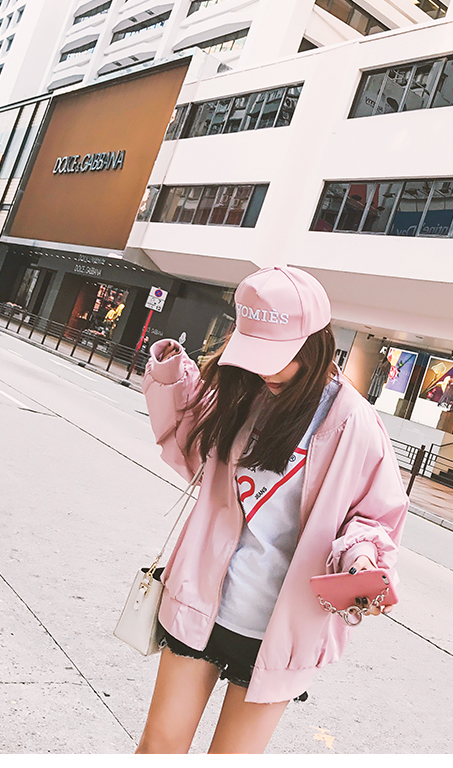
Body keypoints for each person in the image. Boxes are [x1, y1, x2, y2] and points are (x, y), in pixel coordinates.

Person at [136, 266, 409, 754]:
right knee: (159, 747)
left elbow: (373, 516)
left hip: (279, 631)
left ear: (315, 345)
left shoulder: (354, 424)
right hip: (201, 600)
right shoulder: (242, 394)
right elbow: (189, 447)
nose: (266, 370)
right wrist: (171, 375)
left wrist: (362, 560)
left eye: (276, 357)